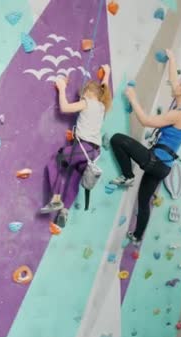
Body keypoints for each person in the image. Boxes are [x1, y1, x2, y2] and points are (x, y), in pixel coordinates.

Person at [109, 49, 181, 245]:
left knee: (118, 139)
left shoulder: (178, 115)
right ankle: (137, 237)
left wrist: (132, 98)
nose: (176, 85)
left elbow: (145, 121)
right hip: (163, 167)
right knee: (143, 202)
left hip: (156, 161)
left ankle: (127, 175)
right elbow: (173, 80)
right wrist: (172, 58)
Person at [40, 65, 112, 227]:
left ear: (88, 92)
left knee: (56, 160)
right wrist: (106, 73)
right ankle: (64, 211)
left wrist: (62, 88)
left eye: (82, 94)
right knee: (74, 179)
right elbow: (104, 88)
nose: (81, 97)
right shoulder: (101, 106)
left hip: (83, 148)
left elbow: (65, 108)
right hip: (93, 153)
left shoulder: (87, 102)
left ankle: (56, 199)